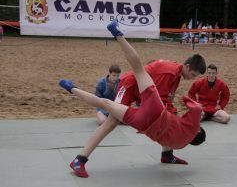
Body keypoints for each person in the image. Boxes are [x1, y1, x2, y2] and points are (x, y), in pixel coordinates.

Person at [59, 20, 207, 178]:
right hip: (130, 85)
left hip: (140, 89)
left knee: (168, 117)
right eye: (193, 75)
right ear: (188, 66)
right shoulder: (170, 73)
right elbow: (156, 105)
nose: (192, 79)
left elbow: (161, 104)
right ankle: (80, 159)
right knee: (111, 122)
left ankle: (167, 154)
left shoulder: (176, 74)